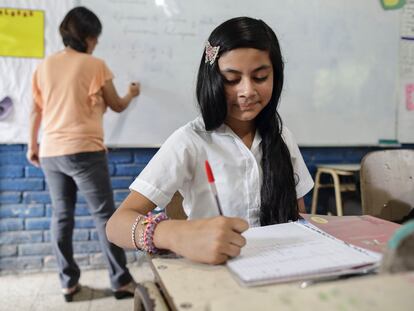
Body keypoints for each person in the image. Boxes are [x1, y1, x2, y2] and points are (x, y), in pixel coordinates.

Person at [106, 17, 314, 265]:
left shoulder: (281, 136)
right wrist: (174, 234)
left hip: (282, 269)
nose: (247, 91)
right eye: (231, 79)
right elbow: (116, 225)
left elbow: (298, 218)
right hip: (216, 277)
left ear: (275, 77)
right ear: (213, 79)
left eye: (260, 77)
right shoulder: (190, 141)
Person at [27, 7, 140, 302]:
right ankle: (121, 282)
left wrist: (32, 145)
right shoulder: (95, 65)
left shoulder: (44, 66)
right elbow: (116, 104)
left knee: (61, 217)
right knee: (105, 216)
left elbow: (35, 110)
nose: (97, 43)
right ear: (88, 37)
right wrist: (132, 93)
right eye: (96, 37)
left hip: (51, 151)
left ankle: (68, 284)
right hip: (85, 151)